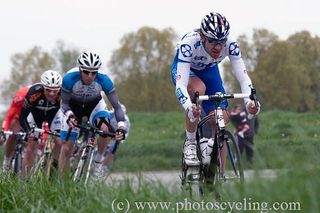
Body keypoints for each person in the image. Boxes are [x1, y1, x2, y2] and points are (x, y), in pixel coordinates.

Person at [171, 12, 260, 171]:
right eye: (213, 41)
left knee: (220, 118)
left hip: (210, 71)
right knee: (199, 90)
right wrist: (189, 107)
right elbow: (181, 86)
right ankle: (191, 143)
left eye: (221, 42)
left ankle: (219, 176)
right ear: (202, 36)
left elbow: (244, 79)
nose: (218, 47)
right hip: (187, 72)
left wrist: (250, 102)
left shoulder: (231, 45)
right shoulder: (189, 44)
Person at [59, 51, 125, 178]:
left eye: (93, 72)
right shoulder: (69, 78)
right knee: (67, 148)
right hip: (73, 108)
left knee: (105, 129)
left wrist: (121, 126)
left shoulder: (104, 79)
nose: (90, 76)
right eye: (86, 72)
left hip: (95, 106)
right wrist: (70, 115)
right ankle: (63, 184)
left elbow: (116, 106)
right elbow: (64, 103)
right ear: (80, 69)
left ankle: (98, 163)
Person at [19, 70, 63, 174]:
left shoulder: (62, 94)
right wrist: (28, 132)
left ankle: (54, 169)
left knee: (60, 142)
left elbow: (66, 112)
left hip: (54, 115)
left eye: (55, 90)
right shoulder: (34, 93)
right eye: (48, 90)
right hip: (35, 115)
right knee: (31, 146)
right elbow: (22, 117)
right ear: (43, 87)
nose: (52, 93)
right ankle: (25, 181)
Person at [1, 86, 30, 170]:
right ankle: (6, 160)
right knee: (14, 132)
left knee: (31, 138)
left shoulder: (43, 97)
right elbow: (9, 116)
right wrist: (4, 131)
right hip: (18, 116)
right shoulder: (22, 95)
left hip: (33, 117)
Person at [102, 104, 131, 170]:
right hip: (111, 130)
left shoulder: (125, 119)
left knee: (113, 149)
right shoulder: (110, 114)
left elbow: (123, 132)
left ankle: (104, 165)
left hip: (122, 133)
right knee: (104, 139)